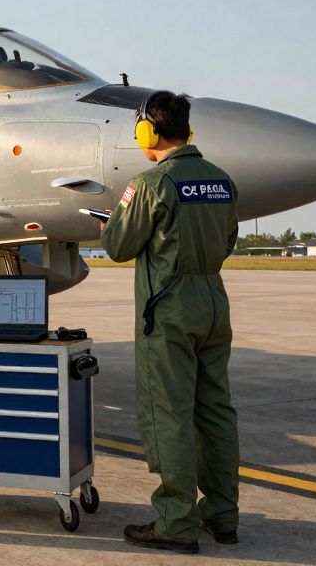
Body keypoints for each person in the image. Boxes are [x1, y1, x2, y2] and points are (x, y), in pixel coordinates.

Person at [100, 91, 241, 554]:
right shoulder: (221, 181)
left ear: (149, 131)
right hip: (213, 302)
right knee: (215, 410)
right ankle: (221, 515)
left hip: (170, 308)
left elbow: (119, 245)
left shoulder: (151, 183)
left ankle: (176, 522)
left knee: (168, 413)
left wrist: (114, 219)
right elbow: (228, 240)